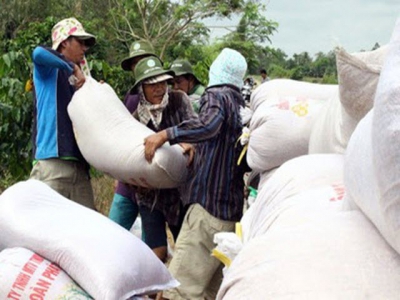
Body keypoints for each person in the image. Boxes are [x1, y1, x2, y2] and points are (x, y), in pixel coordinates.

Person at [144, 48, 249, 299]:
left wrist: (167, 134)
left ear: (216, 72)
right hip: (230, 217)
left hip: (206, 212)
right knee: (208, 294)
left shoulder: (216, 95)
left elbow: (209, 125)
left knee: (178, 292)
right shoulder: (240, 104)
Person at [130, 56, 196, 262]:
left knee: (185, 251)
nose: (159, 89)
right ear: (142, 89)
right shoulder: (135, 119)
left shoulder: (178, 101)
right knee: (156, 253)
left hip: (181, 194)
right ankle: (157, 292)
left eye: (162, 83)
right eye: (152, 85)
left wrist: (188, 142)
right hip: (149, 197)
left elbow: (196, 128)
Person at [30, 17, 96, 209]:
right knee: (44, 232)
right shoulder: (48, 70)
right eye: (80, 42)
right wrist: (73, 66)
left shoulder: (82, 80)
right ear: (65, 41)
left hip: (80, 169)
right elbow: (38, 52)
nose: (84, 48)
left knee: (86, 232)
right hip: (52, 165)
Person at [108, 40, 160, 230]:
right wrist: (117, 176)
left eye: (143, 60)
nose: (139, 65)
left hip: (152, 185)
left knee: (152, 243)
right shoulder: (131, 98)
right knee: (113, 231)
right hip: (127, 183)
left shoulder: (167, 98)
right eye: (135, 62)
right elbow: (121, 137)